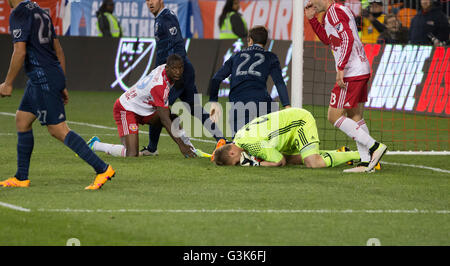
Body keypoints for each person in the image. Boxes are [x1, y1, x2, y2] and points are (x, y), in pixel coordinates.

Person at [0, 0, 114, 190]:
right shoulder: (40, 11)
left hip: (42, 78)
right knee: (22, 120)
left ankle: (102, 168)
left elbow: (19, 51)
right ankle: (21, 177)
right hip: (44, 77)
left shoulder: (19, 14)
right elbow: (58, 50)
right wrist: (61, 83)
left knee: (58, 130)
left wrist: (8, 83)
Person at [305, 0, 387, 173]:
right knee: (354, 114)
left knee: (333, 116)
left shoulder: (334, 11)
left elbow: (347, 38)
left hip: (351, 71)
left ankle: (374, 147)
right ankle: (366, 163)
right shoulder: (333, 12)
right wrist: (312, 20)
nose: (310, 2)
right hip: (359, 68)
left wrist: (341, 68)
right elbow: (329, 40)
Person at [142, 0, 224, 156]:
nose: (150, 3)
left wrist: (177, 72)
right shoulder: (161, 18)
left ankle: (152, 148)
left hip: (178, 74)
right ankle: (222, 140)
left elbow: (178, 44)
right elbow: (163, 51)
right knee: (195, 109)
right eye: (147, 0)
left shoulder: (167, 18)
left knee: (159, 109)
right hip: (181, 71)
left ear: (161, 0)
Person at [87, 54, 199, 158]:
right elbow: (164, 119)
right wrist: (180, 145)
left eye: (180, 68)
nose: (178, 72)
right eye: (175, 69)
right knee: (132, 154)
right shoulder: (159, 86)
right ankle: (95, 145)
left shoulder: (164, 69)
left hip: (144, 108)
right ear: (168, 68)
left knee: (172, 117)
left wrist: (183, 144)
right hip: (126, 108)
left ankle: (192, 149)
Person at [208, 26, 291, 138]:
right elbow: (279, 82)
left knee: (239, 144)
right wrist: (287, 106)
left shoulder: (236, 56)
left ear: (250, 40)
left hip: (238, 104)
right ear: (265, 42)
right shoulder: (271, 57)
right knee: (273, 138)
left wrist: (214, 102)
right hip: (262, 102)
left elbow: (216, 79)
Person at [213, 108, 361, 169]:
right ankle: (341, 153)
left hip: (299, 122)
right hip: (287, 128)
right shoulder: (239, 137)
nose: (240, 163)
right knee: (292, 158)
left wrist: (256, 164)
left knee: (312, 163)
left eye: (236, 163)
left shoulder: (252, 145)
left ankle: (361, 155)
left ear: (232, 153)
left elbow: (279, 161)